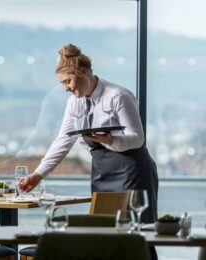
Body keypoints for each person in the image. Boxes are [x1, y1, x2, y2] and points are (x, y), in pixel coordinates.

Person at [19, 43, 159, 225]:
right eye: (62, 83)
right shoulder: (73, 103)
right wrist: (38, 175)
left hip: (132, 173)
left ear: (83, 72)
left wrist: (111, 140)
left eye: (68, 81)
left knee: (136, 233)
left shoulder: (119, 96)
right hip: (101, 173)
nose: (66, 88)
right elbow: (63, 140)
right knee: (102, 233)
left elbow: (138, 138)